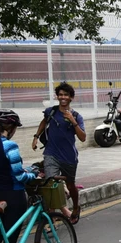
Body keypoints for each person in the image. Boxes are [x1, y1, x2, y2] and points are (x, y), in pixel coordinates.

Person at [31, 83, 86, 224]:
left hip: (69, 156)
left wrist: (73, 121)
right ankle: (52, 218)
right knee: (50, 185)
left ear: (71, 98)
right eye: (60, 94)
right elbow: (43, 122)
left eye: (66, 95)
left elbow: (83, 137)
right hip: (51, 153)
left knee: (70, 185)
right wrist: (36, 137)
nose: (62, 97)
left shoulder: (76, 116)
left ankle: (75, 207)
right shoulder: (50, 111)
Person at [0, 110, 37, 243]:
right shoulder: (9, 146)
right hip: (12, 195)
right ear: (10, 128)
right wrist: (33, 173)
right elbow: (19, 176)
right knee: (10, 237)